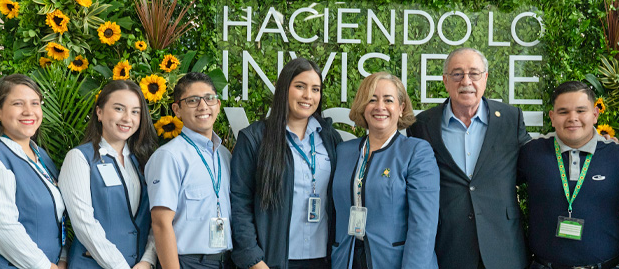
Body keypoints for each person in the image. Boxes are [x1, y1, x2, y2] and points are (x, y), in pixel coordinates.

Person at [406, 47, 531, 269]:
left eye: (474, 73)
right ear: (445, 81)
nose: (466, 81)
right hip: (450, 246)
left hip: (503, 246)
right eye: (457, 74)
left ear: (485, 78)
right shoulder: (422, 125)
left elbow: (533, 166)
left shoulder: (510, 119)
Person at [231, 58, 343, 269]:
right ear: (284, 89)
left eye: (315, 89)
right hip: (271, 262)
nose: (308, 95)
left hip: (323, 261)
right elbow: (239, 202)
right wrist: (253, 259)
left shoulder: (330, 138)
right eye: (300, 86)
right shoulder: (254, 138)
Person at [517, 81, 619, 269]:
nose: (572, 118)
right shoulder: (532, 153)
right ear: (552, 117)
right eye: (563, 112)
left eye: (581, 111)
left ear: (595, 114)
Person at [331, 72, 439, 269]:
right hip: (347, 259)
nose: (380, 107)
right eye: (372, 99)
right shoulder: (343, 151)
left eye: (388, 100)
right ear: (363, 106)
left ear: (401, 108)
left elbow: (423, 226)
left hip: (395, 262)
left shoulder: (416, 152)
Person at [0, 74, 67, 269]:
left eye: (35, 103)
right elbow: (2, 228)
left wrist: (62, 258)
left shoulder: (41, 156)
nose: (29, 111)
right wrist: (46, 266)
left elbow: (55, 217)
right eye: (18, 103)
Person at [59, 80, 158, 269]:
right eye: (119, 109)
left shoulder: (143, 161)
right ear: (99, 112)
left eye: (135, 112)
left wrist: (148, 260)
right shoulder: (80, 158)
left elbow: (156, 218)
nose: (127, 118)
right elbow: (83, 223)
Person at [145, 72, 233, 269]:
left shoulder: (225, 155)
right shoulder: (169, 156)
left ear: (218, 105)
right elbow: (161, 223)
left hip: (225, 261)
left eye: (209, 98)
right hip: (188, 263)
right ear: (177, 109)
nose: (203, 106)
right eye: (193, 100)